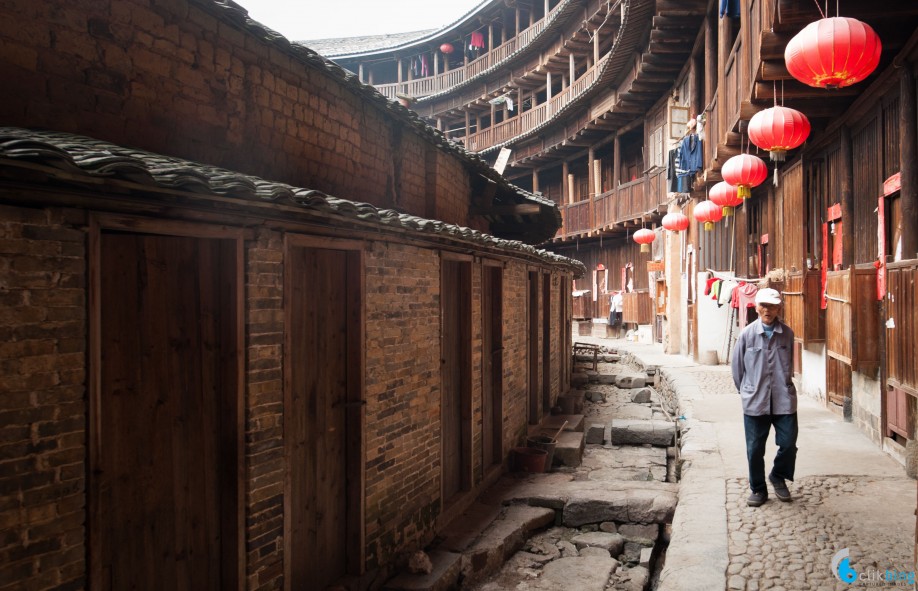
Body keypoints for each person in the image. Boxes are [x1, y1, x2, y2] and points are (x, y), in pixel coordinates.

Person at [730, 287, 797, 507]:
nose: (768, 310)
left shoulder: (787, 334)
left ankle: (778, 475)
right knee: (754, 449)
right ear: (757, 307)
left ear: (779, 308)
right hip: (755, 400)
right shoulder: (747, 334)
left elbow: (790, 364)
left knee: (788, 443)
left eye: (772, 306)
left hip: (783, 399)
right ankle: (758, 488)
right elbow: (737, 368)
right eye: (764, 306)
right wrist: (747, 391)